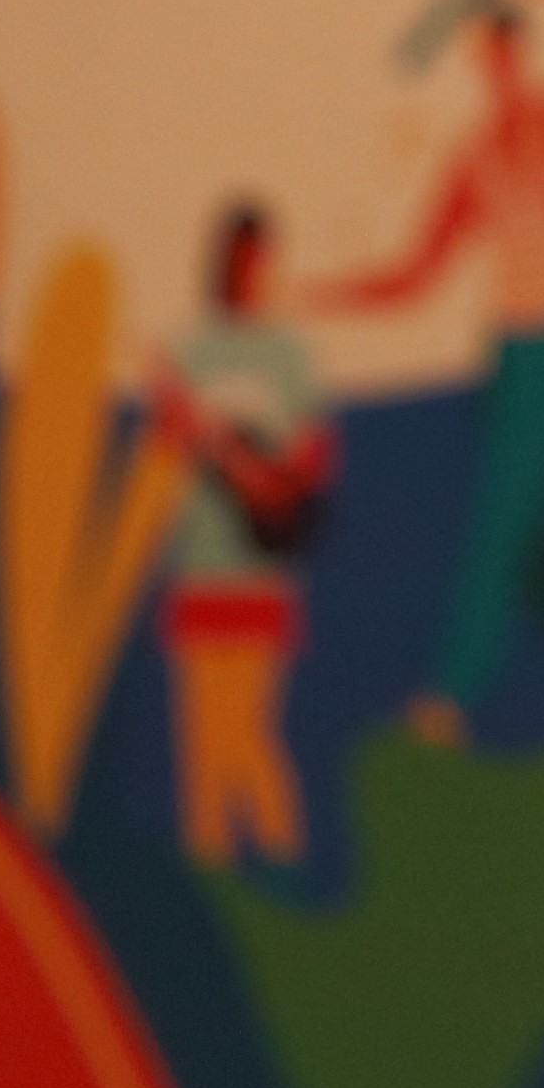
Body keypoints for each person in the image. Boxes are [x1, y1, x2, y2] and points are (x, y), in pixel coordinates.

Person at [306, 0, 544, 749]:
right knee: (526, 527)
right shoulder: (474, 156)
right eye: (480, 44)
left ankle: (449, 695)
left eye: (499, 39)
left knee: (500, 518)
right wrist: (317, 292)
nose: (489, 54)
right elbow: (414, 276)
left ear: (517, 45)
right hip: (509, 349)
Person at [152, 198, 336, 867]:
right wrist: (181, 432)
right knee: (202, 747)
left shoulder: (288, 354)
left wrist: (268, 475)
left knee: (247, 733)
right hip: (199, 563)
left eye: (273, 262)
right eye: (259, 261)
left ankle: (284, 860)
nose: (268, 274)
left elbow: (318, 453)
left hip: (263, 569)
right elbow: (163, 450)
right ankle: (214, 866)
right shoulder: (187, 350)